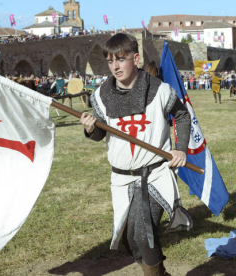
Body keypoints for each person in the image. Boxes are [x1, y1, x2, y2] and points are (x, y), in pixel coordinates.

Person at [80, 33, 192, 275]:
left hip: (154, 174)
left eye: (121, 59)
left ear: (136, 58)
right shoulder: (101, 95)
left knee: (144, 232)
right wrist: (91, 129)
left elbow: (182, 115)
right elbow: (100, 134)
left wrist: (180, 148)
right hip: (121, 178)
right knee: (131, 239)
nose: (115, 66)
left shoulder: (159, 90)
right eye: (110, 61)